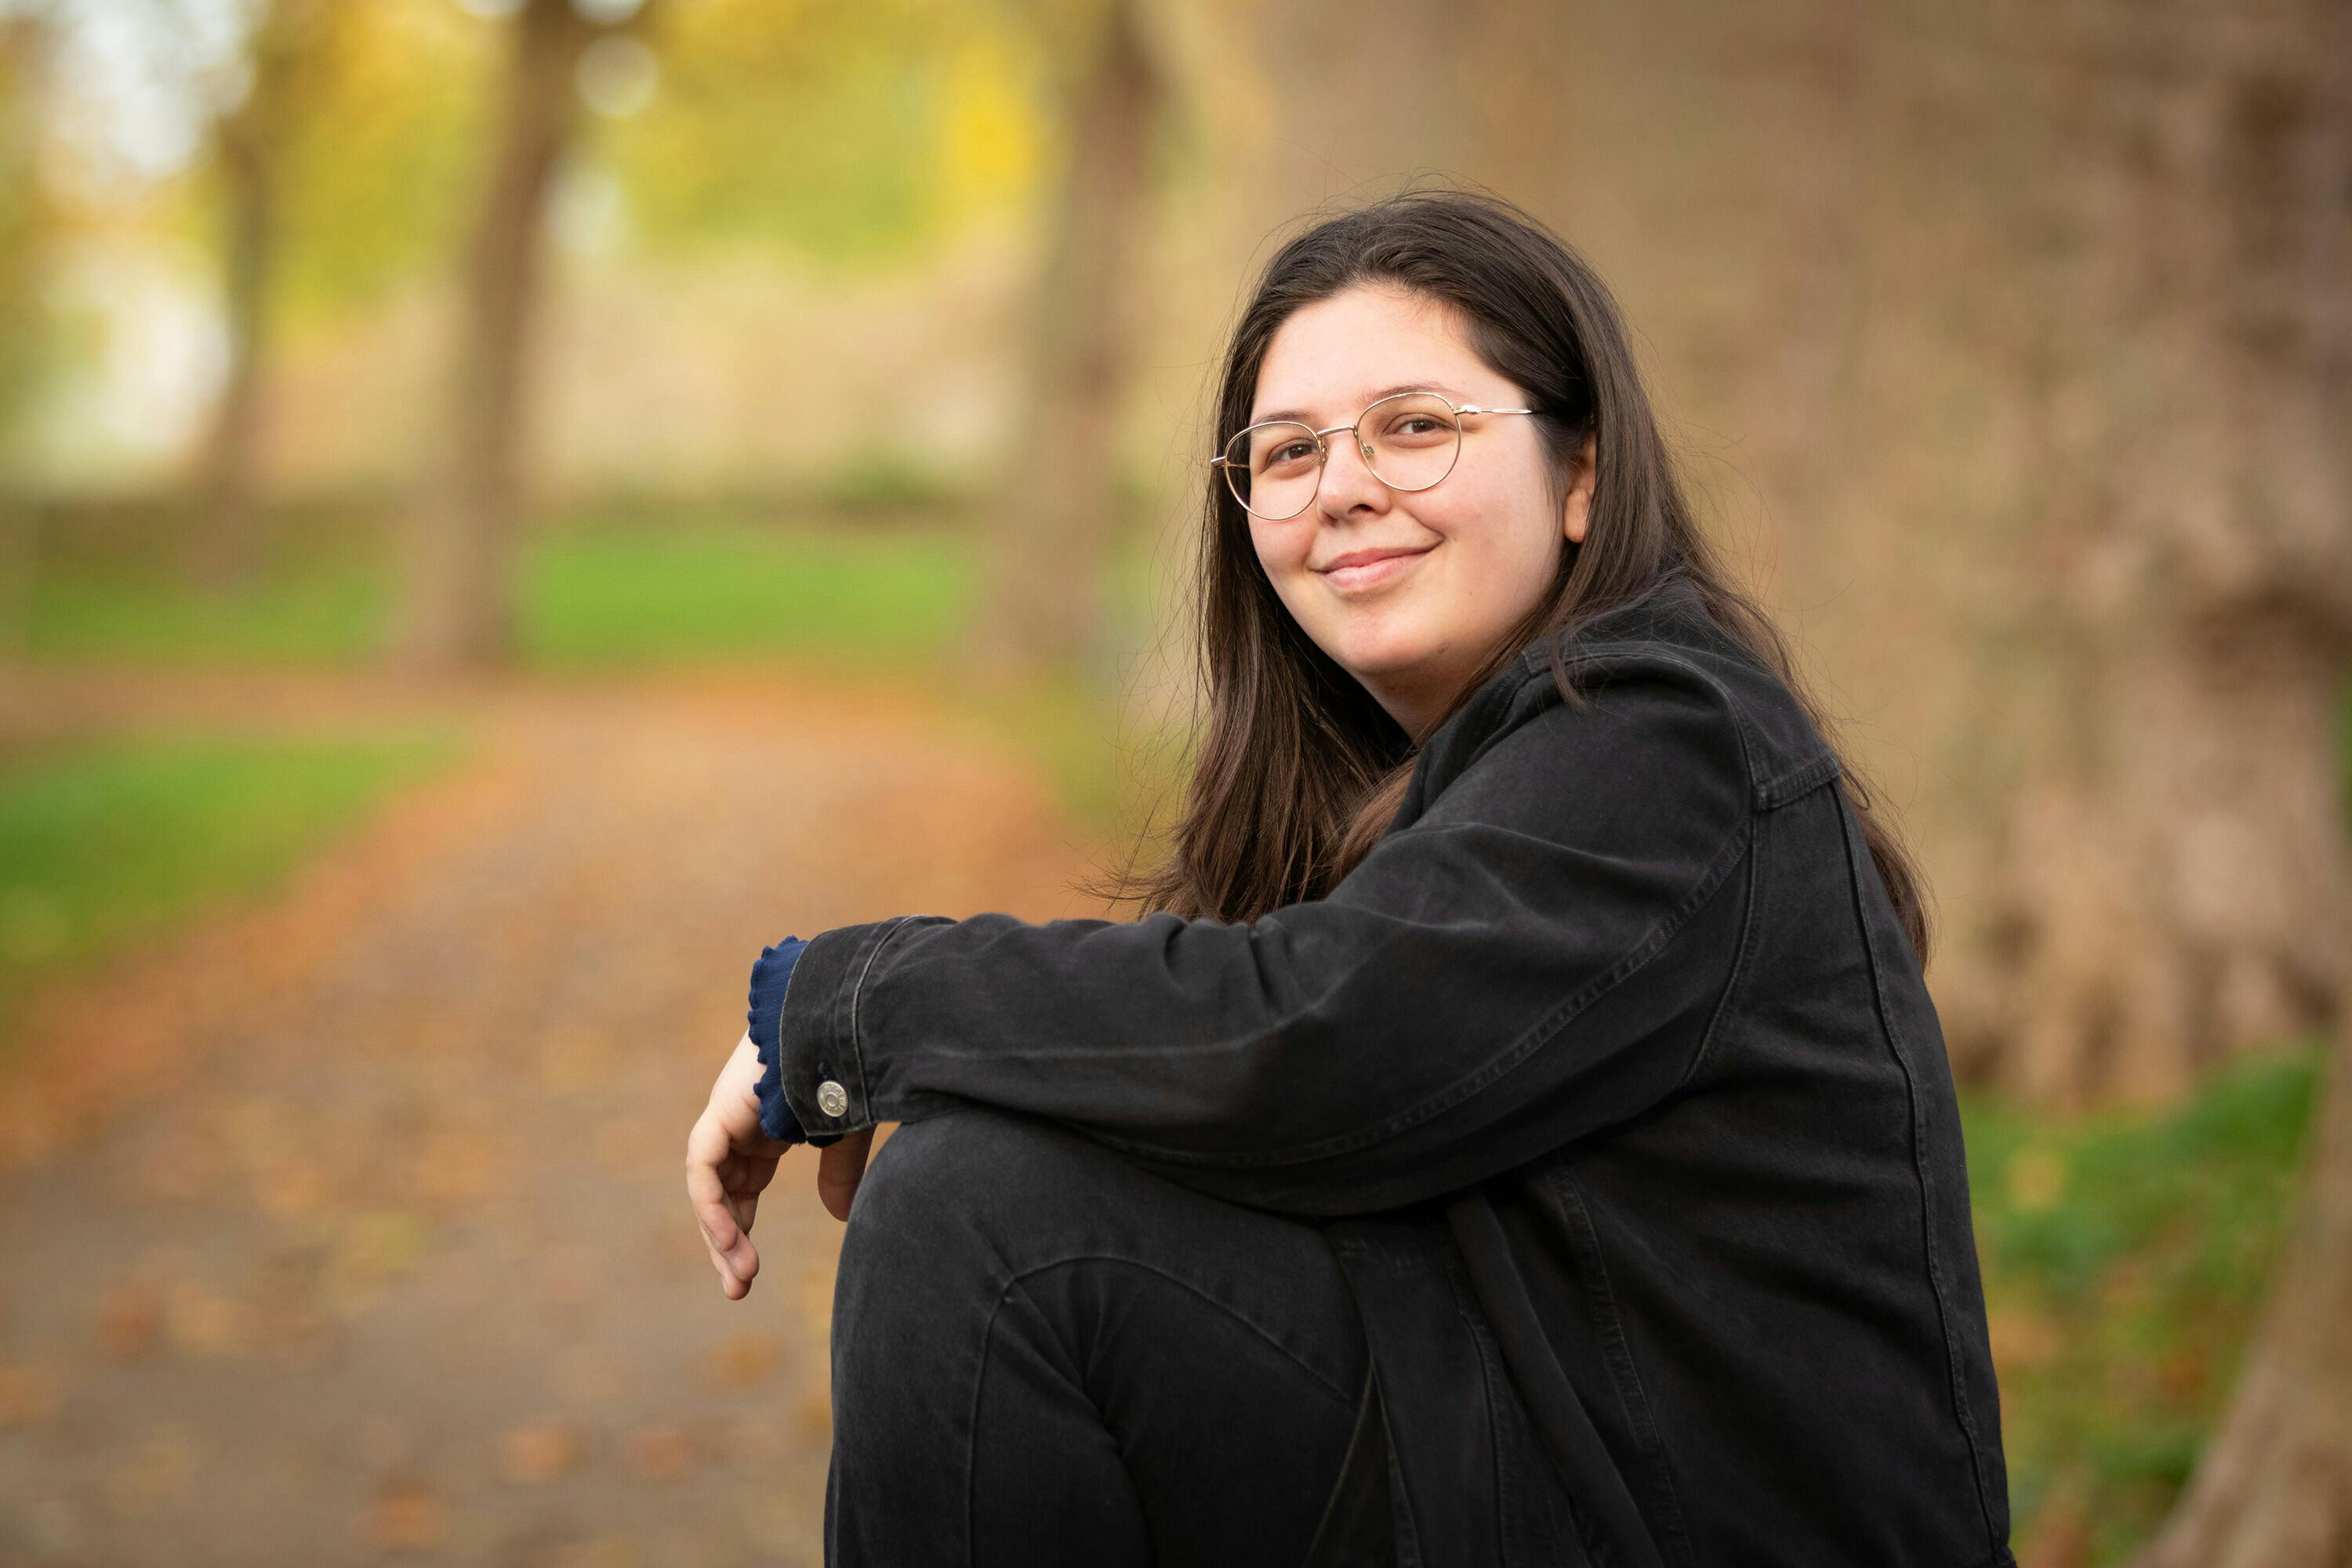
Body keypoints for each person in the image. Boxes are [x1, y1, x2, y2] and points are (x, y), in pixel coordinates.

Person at [684, 188, 2016, 1568]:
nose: (1343, 486)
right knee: (987, 1200)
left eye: (1417, 427)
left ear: (1584, 478)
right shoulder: (1444, 788)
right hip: (1530, 1463)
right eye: (1287, 452)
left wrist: (838, 1010)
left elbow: (1317, 1037)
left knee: (983, 1221)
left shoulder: (1668, 740)